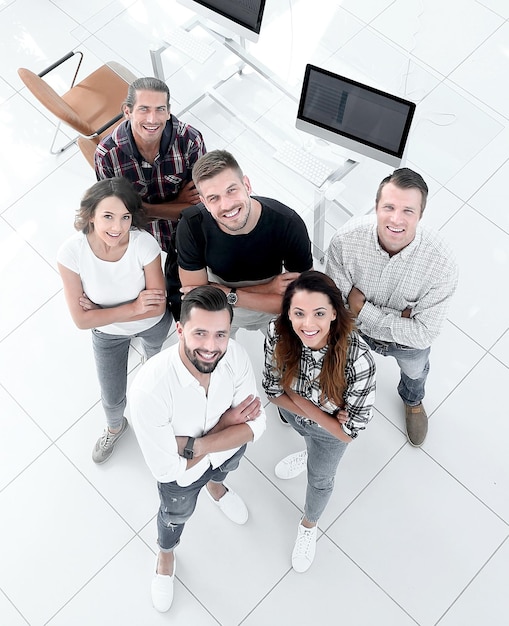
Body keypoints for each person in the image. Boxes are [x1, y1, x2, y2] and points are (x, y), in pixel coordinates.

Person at [129, 286, 266, 613]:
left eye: (221, 334)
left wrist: (193, 444)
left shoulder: (234, 355)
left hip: (221, 455)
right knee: (175, 515)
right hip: (181, 479)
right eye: (199, 333)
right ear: (179, 330)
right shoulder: (149, 390)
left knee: (222, 468)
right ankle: (166, 554)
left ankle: (216, 488)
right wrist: (225, 425)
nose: (211, 346)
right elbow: (168, 470)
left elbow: (256, 426)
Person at [326, 167, 458, 447]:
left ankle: (412, 400)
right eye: (389, 207)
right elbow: (333, 304)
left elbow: (423, 334)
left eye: (408, 211)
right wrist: (401, 317)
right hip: (352, 329)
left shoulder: (441, 264)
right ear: (376, 206)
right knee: (341, 363)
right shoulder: (346, 241)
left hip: (403, 343)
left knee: (415, 372)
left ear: (420, 214)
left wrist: (362, 309)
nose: (396, 219)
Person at [262, 271, 376, 573]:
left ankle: (309, 524)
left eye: (319, 313)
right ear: (288, 312)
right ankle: (307, 451)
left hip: (328, 435)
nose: (308, 324)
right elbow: (272, 390)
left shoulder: (358, 359)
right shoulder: (277, 332)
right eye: (299, 313)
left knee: (321, 480)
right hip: (297, 417)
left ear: (335, 313)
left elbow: (349, 432)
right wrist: (323, 414)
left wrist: (302, 404)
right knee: (304, 434)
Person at [57, 177, 171, 463]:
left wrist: (100, 310)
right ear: (91, 215)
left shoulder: (144, 243)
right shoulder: (71, 252)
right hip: (107, 334)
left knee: (153, 361)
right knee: (111, 394)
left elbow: (156, 309)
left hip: (151, 325)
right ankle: (115, 426)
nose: (117, 228)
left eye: (125, 217)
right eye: (108, 216)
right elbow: (82, 322)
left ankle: (149, 360)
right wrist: (133, 307)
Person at [176, 149, 313, 337]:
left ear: (246, 185)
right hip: (221, 312)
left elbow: (300, 302)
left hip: (274, 312)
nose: (226, 205)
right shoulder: (192, 226)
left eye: (231, 190)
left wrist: (228, 294)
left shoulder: (287, 223)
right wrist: (267, 289)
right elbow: (201, 302)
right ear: (204, 203)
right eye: (213, 198)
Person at [95, 77, 206, 254]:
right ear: (127, 111)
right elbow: (120, 219)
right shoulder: (107, 156)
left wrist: (145, 209)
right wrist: (177, 202)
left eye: (160, 109)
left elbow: (202, 206)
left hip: (196, 229)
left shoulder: (190, 140)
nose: (152, 119)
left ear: (168, 112)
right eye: (144, 109)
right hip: (147, 239)